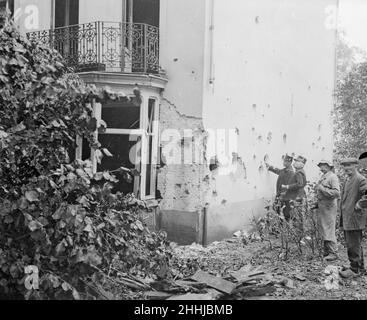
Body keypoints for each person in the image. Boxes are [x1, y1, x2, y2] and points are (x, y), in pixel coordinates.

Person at [339, 158, 367, 278]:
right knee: (355, 242)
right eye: (345, 166)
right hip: (348, 216)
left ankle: (354, 269)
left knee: (353, 244)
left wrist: (359, 204)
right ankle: (359, 267)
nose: (347, 168)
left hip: (355, 216)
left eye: (349, 165)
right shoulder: (349, 179)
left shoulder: (360, 179)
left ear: (356, 165)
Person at [315, 160, 340, 261]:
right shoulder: (324, 176)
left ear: (329, 166)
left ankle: (333, 252)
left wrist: (322, 189)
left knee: (329, 228)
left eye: (323, 165)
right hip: (323, 206)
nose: (321, 167)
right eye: (320, 165)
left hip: (329, 206)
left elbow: (336, 193)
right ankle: (327, 251)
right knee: (324, 228)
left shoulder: (332, 177)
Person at [266, 154, 295, 221]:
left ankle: (286, 228)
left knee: (285, 214)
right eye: (284, 161)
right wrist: (270, 167)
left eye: (286, 161)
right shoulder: (285, 170)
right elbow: (278, 171)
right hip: (280, 196)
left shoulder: (290, 173)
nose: (284, 163)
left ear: (290, 162)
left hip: (284, 198)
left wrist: (281, 196)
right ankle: (282, 227)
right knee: (278, 212)